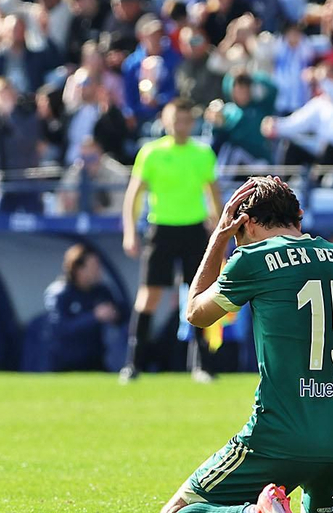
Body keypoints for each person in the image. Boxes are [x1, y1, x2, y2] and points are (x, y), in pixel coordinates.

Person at [155, 175, 333, 513]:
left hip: (279, 434)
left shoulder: (253, 258)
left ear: (246, 223)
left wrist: (218, 240)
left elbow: (195, 313)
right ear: (299, 217)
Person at [121, 98, 220, 383]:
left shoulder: (202, 153)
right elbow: (134, 194)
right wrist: (129, 231)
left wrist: (220, 228)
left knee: (200, 296)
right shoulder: (151, 153)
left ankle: (202, 364)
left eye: (187, 120)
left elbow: (213, 194)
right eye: (176, 120)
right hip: (161, 229)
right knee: (150, 295)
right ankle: (133, 364)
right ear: (165, 121)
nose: (181, 126)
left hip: (193, 230)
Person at [43, 242, 125, 371]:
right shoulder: (60, 293)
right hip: (65, 364)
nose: (98, 271)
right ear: (78, 269)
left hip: (95, 361)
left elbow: (123, 316)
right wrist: (94, 316)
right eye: (93, 266)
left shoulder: (102, 291)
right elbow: (60, 328)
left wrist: (114, 314)